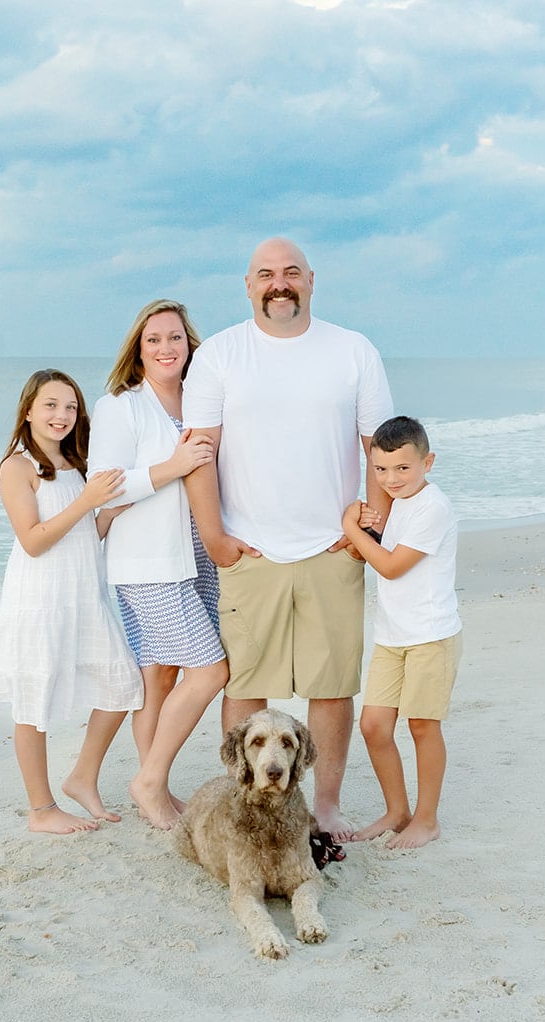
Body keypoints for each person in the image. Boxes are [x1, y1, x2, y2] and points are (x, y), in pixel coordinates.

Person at [183, 237, 394, 841]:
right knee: (247, 685)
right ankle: (239, 806)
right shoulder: (221, 354)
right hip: (250, 552)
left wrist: (368, 531)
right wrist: (215, 538)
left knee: (331, 687)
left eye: (291, 273)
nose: (280, 283)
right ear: (248, 285)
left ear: (310, 281)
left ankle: (324, 808)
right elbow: (200, 452)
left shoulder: (352, 351)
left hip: (333, 549)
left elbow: (377, 447)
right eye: (267, 275)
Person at [0, 369, 144, 834]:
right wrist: (88, 502)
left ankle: (82, 777)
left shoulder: (77, 463)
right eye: (50, 405)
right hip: (39, 597)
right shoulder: (17, 466)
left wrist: (107, 513)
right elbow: (33, 540)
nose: (61, 415)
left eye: (70, 407)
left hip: (84, 593)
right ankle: (41, 810)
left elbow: (87, 534)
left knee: (124, 685)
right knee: (34, 701)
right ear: (28, 411)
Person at [89, 299, 230, 830]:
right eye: (154, 340)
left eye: (175, 338)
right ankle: (147, 782)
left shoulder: (202, 402)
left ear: (189, 344)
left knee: (162, 676)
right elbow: (106, 486)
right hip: (147, 562)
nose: (166, 348)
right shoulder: (120, 407)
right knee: (211, 667)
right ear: (138, 350)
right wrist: (173, 466)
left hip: (198, 553)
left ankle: (158, 790)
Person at [339, 416, 461, 849]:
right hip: (391, 636)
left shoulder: (434, 507)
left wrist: (350, 525)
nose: (391, 479)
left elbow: (390, 567)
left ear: (428, 462)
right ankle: (397, 810)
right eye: (381, 470)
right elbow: (371, 549)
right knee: (373, 725)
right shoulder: (396, 504)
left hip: (430, 635)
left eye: (403, 468)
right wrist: (363, 525)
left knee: (423, 726)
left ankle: (426, 820)